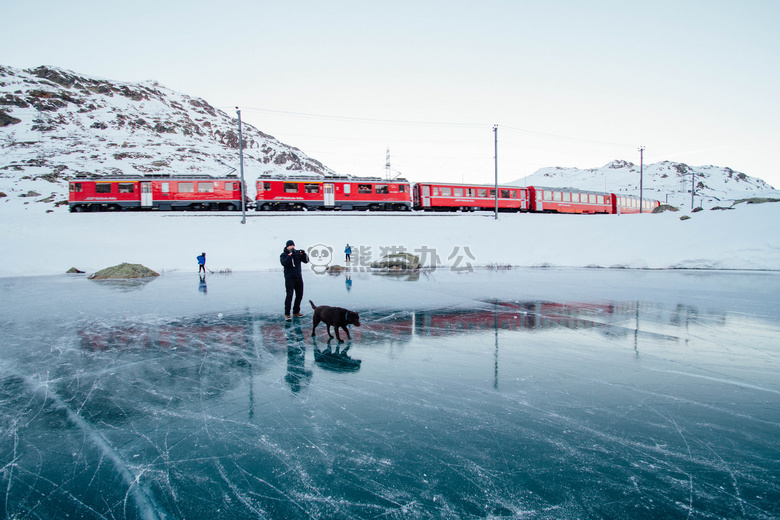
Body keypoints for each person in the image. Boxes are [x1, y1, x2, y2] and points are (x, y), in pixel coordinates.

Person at [280, 240, 309, 320]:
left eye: (293, 245)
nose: (292, 247)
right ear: (287, 247)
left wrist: (303, 254)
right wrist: (290, 255)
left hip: (298, 277)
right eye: (291, 246)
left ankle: (296, 312)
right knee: (289, 295)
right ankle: (287, 314)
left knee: (299, 295)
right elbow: (284, 263)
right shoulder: (284, 255)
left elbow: (306, 261)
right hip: (290, 278)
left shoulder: (296, 254)